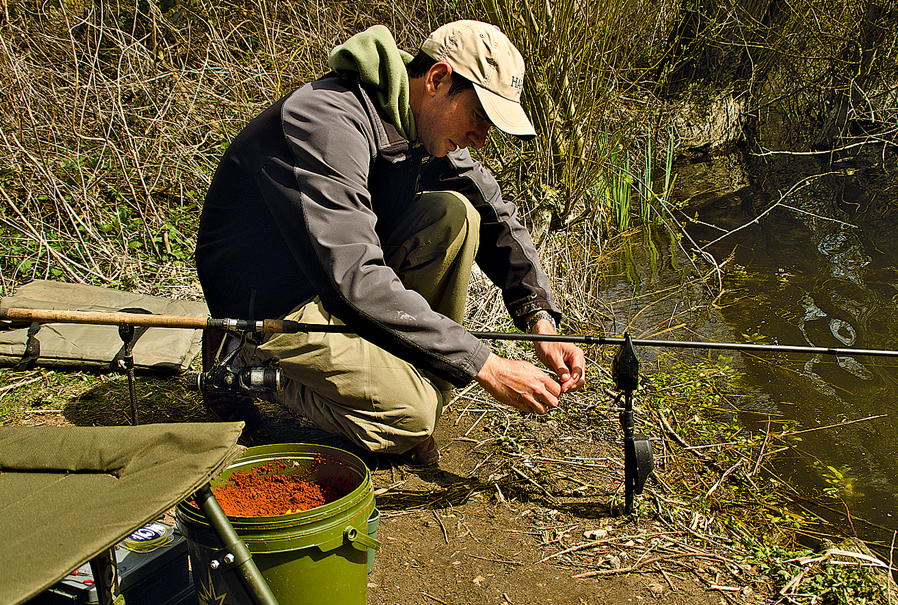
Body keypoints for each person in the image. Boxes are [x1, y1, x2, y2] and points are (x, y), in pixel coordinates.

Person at [195, 20, 585, 465]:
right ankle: (241, 368)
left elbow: (496, 215)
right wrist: (484, 364)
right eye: (479, 116)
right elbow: (354, 278)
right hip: (274, 301)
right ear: (438, 79)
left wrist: (540, 320)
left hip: (337, 282)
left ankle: (409, 374)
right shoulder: (326, 122)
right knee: (413, 417)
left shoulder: (420, 119)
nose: (481, 137)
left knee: (454, 214)